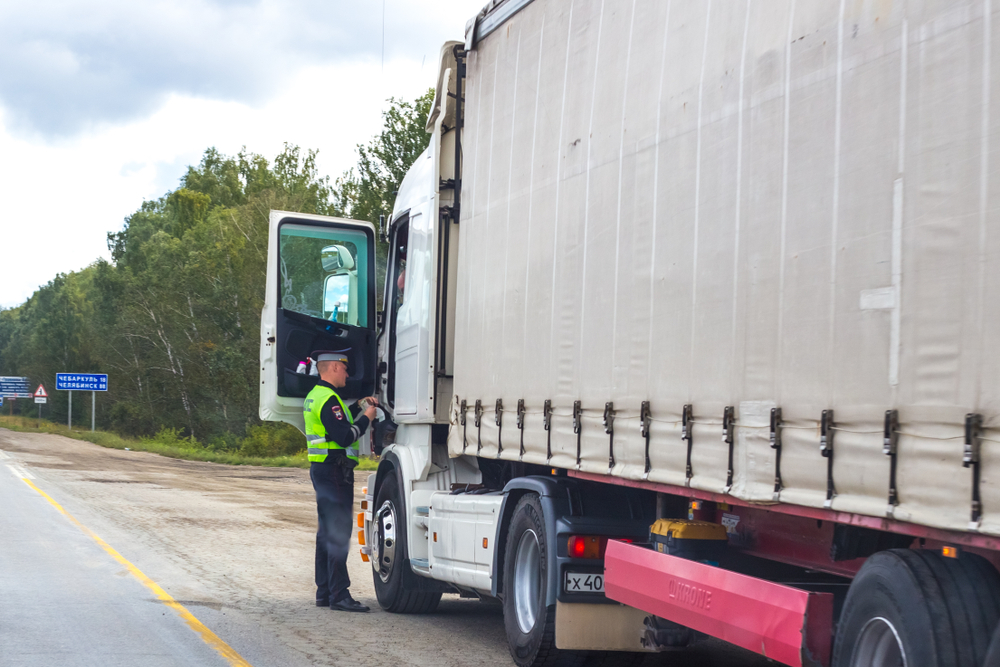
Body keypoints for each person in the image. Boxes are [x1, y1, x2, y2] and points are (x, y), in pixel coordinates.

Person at [303, 350, 378, 612]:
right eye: (344, 368)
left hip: (323, 470)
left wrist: (358, 406)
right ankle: (339, 595)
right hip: (335, 472)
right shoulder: (329, 400)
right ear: (334, 367)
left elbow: (334, 423)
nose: (347, 373)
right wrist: (367, 417)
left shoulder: (316, 396)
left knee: (326, 532)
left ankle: (324, 591)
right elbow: (345, 436)